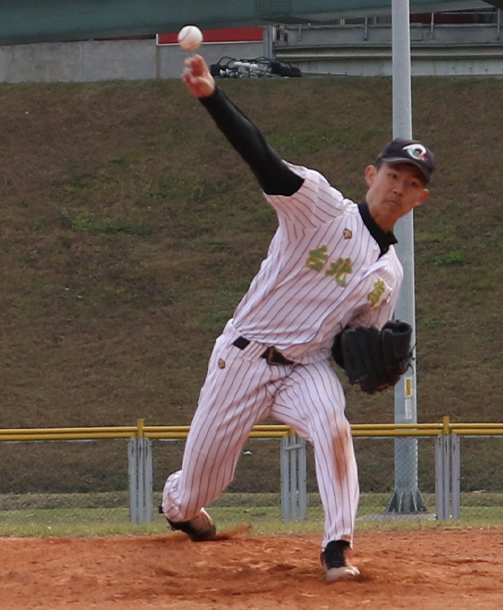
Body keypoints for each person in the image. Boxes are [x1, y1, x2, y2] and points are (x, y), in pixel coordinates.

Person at [161, 54, 434, 583]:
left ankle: (337, 549)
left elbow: (347, 343)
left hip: (303, 369)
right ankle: (180, 509)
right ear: (371, 175)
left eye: (412, 182)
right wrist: (212, 97)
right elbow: (262, 156)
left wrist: (368, 364)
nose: (399, 186)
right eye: (393, 174)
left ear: (421, 197)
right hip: (243, 357)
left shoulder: (389, 273)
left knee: (334, 428)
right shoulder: (321, 205)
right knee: (199, 487)